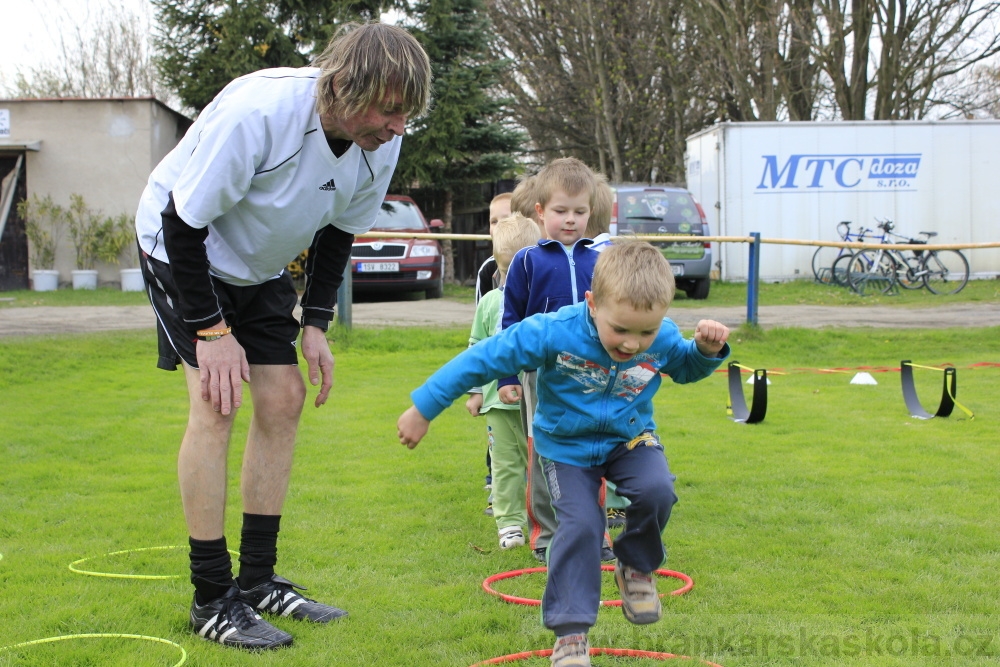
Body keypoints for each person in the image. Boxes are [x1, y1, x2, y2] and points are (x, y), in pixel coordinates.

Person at [133, 22, 431, 650]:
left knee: (282, 399)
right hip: (182, 249)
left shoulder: (381, 138)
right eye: (389, 109)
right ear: (347, 87)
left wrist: (316, 322)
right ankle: (212, 598)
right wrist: (212, 332)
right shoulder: (258, 112)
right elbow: (182, 221)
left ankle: (259, 581)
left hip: (257, 264)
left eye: (407, 112)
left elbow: (340, 230)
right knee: (218, 404)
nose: (399, 125)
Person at [397, 242, 730, 667]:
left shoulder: (660, 335)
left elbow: (682, 366)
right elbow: (483, 357)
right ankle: (571, 637)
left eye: (646, 332)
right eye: (621, 329)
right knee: (580, 527)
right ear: (592, 303)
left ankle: (636, 568)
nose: (633, 344)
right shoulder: (554, 331)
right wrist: (425, 406)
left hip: (630, 438)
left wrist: (704, 351)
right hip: (567, 448)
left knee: (658, 490)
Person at [497, 157, 611, 563]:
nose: (570, 220)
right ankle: (546, 536)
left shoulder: (600, 262)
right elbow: (509, 324)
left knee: (591, 453)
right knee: (545, 453)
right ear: (541, 212)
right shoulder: (527, 262)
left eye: (580, 212)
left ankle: (593, 535)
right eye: (561, 211)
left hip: (594, 374)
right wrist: (506, 375)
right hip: (541, 374)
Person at [465, 213, 542, 548]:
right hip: (498, 403)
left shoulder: (542, 304)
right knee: (506, 464)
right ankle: (509, 523)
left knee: (540, 465)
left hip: (540, 400)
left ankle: (546, 521)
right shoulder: (490, 303)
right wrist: (476, 391)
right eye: (509, 268)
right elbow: (477, 349)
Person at [473, 192, 514, 513]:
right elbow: (481, 327)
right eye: (494, 221)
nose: (499, 226)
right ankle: (495, 484)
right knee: (498, 435)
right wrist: (476, 387)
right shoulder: (488, 270)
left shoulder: (535, 261)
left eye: (506, 219)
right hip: (495, 380)